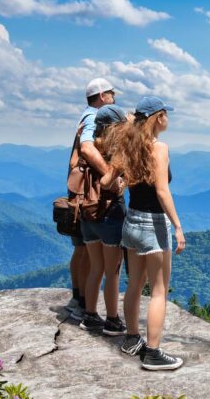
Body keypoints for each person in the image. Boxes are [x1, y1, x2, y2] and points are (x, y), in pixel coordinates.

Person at [112, 95, 186, 370]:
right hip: (153, 224)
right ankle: (153, 353)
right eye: (166, 114)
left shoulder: (128, 145)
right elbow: (162, 191)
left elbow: (110, 181)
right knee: (158, 291)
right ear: (157, 118)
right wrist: (177, 226)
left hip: (131, 221)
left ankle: (132, 338)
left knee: (134, 284)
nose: (168, 119)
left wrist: (121, 181)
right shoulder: (159, 148)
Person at [65, 77, 117, 320]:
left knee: (81, 247)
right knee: (88, 250)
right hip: (90, 194)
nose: (114, 98)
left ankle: (78, 298)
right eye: (111, 93)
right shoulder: (95, 117)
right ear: (101, 96)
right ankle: (84, 304)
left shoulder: (84, 115)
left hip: (78, 191)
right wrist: (109, 173)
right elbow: (87, 148)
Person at [77, 104, 129, 336]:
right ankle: (112, 320)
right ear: (115, 127)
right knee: (112, 272)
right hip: (110, 214)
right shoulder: (114, 151)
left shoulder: (88, 149)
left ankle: (89, 315)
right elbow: (115, 186)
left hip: (87, 213)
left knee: (95, 268)